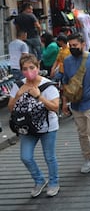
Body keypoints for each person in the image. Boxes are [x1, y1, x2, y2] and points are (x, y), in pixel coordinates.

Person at [8, 54, 60, 197]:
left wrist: (39, 96)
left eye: (31, 67)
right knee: (26, 156)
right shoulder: (18, 85)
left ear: (37, 67)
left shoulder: (48, 85)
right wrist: (18, 95)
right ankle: (39, 180)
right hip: (27, 127)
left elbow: (55, 107)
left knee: (49, 157)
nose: (28, 71)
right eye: (24, 69)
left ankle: (54, 182)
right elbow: (10, 107)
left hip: (47, 126)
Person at [61, 33, 90, 174]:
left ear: (82, 44)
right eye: (71, 45)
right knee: (82, 133)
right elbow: (65, 82)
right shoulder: (67, 61)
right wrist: (64, 103)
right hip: (75, 104)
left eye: (75, 45)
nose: (73, 48)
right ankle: (88, 158)